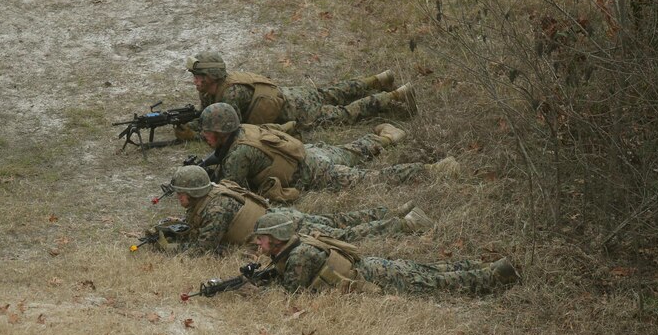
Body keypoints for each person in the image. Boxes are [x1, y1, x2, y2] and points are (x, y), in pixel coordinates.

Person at [196, 103, 458, 201]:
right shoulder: (244, 130)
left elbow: (234, 195)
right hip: (309, 153)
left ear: (221, 132)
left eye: (208, 132)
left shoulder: (238, 155)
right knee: (349, 151)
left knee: (372, 179)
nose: (205, 137)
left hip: (313, 172)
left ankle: (434, 170)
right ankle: (387, 138)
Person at [158, 166, 435, 256]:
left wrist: (166, 248)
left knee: (345, 234)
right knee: (339, 221)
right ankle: (395, 211)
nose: (178, 197)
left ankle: (405, 224)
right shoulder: (214, 192)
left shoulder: (215, 208)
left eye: (181, 193)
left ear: (194, 192)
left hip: (287, 229)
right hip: (284, 218)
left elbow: (202, 250)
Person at [249, 211, 520, 295]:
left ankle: (498, 275)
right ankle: (483, 264)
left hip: (378, 277)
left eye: (261, 239)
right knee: (430, 270)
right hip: (374, 267)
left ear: (276, 238)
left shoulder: (298, 256)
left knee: (436, 282)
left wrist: (259, 287)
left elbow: (291, 294)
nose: (258, 244)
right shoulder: (298, 245)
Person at [178, 51, 415, 138]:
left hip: (299, 111)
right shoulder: (213, 89)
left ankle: (396, 96)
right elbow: (206, 114)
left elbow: (230, 132)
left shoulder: (230, 95)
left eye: (198, 76)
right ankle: (380, 79)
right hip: (292, 94)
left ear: (211, 76)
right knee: (334, 92)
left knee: (346, 113)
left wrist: (195, 134)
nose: (194, 80)